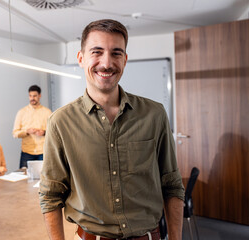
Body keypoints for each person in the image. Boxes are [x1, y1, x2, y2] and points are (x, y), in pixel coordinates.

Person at [39, 19, 185, 240]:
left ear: (125, 60)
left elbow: (172, 185)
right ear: (81, 58)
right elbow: (50, 195)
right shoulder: (60, 122)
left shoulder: (154, 115)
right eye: (96, 52)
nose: (106, 63)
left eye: (116, 53)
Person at [13, 85, 52, 169]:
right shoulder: (21, 112)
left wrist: (44, 132)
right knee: (24, 177)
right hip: (27, 152)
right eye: (30, 96)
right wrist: (27, 132)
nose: (32, 98)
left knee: (44, 178)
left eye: (34, 96)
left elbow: (53, 132)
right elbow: (15, 133)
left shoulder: (47, 112)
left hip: (43, 152)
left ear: (39, 96)